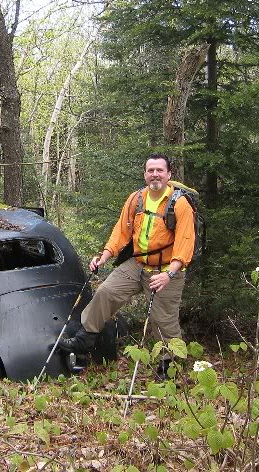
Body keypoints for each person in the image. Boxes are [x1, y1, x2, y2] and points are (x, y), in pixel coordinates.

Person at [60, 154, 195, 375]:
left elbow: (185, 243)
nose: (155, 174)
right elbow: (121, 232)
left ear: (169, 174)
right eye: (150, 170)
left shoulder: (179, 204)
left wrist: (169, 274)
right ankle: (84, 340)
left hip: (166, 269)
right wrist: (104, 255)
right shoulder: (136, 199)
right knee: (106, 292)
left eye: (159, 170)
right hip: (138, 263)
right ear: (145, 174)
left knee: (163, 320)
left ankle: (169, 366)